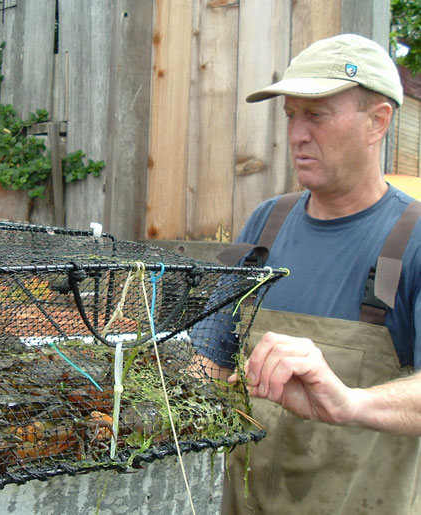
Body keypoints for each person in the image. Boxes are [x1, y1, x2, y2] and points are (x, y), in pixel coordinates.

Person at [205, 33, 421, 514]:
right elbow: (213, 353)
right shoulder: (266, 222)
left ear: (377, 122)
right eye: (291, 116)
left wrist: (350, 403)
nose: (298, 133)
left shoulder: (413, 240)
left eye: (317, 115)